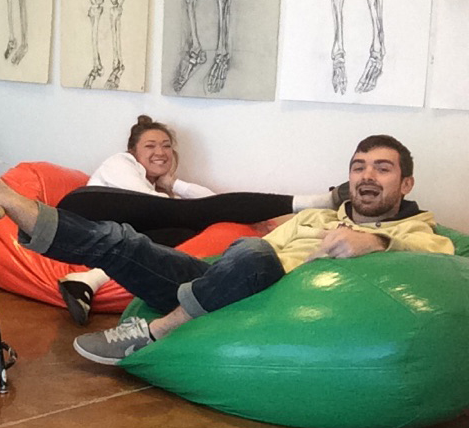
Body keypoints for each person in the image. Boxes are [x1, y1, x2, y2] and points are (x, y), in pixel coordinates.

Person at [0, 100, 454, 365]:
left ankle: (153, 333)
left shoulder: (421, 232)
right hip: (220, 286)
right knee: (123, 242)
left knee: (253, 253)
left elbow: (437, 266)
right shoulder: (318, 220)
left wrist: (379, 240)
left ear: (406, 182)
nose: (367, 175)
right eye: (360, 165)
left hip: (273, 306)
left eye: (382, 169)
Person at [54, 115, 346, 326]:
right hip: (81, 209)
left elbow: (204, 202)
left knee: (180, 230)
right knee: (191, 216)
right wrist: (179, 200)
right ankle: (316, 201)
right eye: (151, 146)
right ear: (133, 151)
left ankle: (85, 281)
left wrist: (173, 182)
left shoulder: (157, 189)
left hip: (108, 229)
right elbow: (198, 207)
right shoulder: (120, 164)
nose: (160, 152)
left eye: (167, 146)